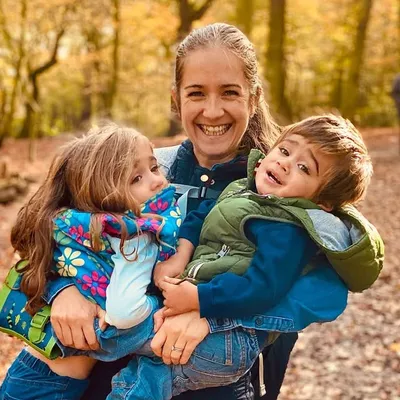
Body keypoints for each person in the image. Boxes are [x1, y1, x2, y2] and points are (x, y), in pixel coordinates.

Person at [0, 23, 357, 400]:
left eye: (230, 92)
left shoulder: (290, 190)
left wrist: (214, 318)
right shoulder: (143, 171)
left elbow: (321, 293)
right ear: (176, 100)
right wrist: (63, 290)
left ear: (253, 98)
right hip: (102, 382)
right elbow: (52, 233)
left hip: (217, 387)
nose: (213, 110)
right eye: (196, 93)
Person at [103, 115, 383, 399]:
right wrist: (181, 255)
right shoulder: (243, 191)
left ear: (321, 204)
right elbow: (201, 216)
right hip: (204, 315)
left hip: (227, 341)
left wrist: (200, 300)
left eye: (304, 168)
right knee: (139, 370)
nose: (285, 164)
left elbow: (263, 288)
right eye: (285, 150)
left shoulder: (285, 227)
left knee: (133, 354)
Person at [0, 125, 186, 399]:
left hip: (50, 377)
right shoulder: (128, 238)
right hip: (44, 384)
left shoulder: (89, 230)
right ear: (102, 196)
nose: (157, 180)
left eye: (154, 167)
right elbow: (125, 316)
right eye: (136, 178)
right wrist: (166, 307)